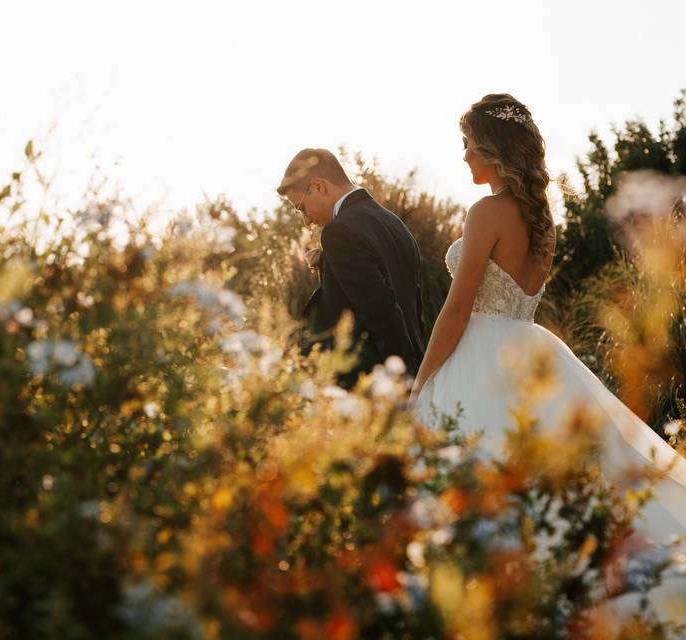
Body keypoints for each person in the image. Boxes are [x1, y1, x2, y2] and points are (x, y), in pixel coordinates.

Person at [409, 93, 686, 614]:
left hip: (481, 354)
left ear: (493, 150)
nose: (464, 157)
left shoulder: (487, 212)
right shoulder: (542, 219)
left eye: (469, 145)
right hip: (530, 350)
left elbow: (458, 308)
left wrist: (421, 383)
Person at [277, 148, 426, 388]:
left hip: (371, 381)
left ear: (318, 186)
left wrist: (398, 380)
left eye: (301, 208)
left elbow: (380, 310)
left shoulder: (339, 232)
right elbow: (408, 302)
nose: (306, 222)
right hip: (412, 366)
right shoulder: (395, 224)